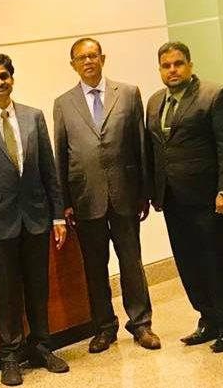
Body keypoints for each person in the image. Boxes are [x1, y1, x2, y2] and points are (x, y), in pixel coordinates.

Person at [0, 53, 69, 387]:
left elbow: (49, 170)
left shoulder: (34, 117)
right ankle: (10, 356)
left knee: (38, 287)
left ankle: (41, 348)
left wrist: (57, 215)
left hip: (35, 218)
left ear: (12, 79)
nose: (0, 82)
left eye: (4, 76)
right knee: (5, 292)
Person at [53, 38, 160, 354]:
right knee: (95, 267)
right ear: (73, 64)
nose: (88, 61)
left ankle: (141, 324)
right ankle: (104, 327)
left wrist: (144, 192)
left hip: (125, 194)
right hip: (85, 198)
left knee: (131, 262)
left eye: (92, 55)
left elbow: (140, 145)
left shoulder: (127, 93)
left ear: (102, 58)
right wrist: (65, 203)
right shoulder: (63, 104)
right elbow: (61, 154)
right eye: (81, 58)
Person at [144, 42, 223, 353]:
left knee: (216, 262)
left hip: (208, 199)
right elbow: (154, 150)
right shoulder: (155, 102)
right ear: (160, 69)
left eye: (178, 64)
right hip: (172, 199)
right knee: (188, 263)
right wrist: (153, 192)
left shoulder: (214, 95)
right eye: (166, 66)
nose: (172, 70)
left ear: (189, 65)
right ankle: (207, 319)